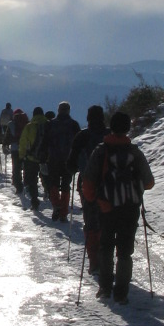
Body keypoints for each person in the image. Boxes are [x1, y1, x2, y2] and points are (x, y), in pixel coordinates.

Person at [80, 110, 154, 305]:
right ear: (128, 128)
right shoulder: (135, 152)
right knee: (125, 251)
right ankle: (121, 292)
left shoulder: (101, 151)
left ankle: (105, 287)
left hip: (106, 207)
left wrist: (94, 199)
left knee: (105, 247)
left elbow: (88, 183)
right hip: (130, 208)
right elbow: (149, 183)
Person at [69, 104, 108, 273]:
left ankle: (94, 260)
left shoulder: (82, 136)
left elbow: (71, 163)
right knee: (107, 223)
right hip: (110, 186)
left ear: (88, 118)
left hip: (88, 184)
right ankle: (107, 259)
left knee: (91, 222)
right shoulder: (110, 135)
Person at [45, 101, 81, 221]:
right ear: (69, 110)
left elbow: (45, 142)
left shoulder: (50, 124)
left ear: (58, 110)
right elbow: (78, 144)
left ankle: (56, 205)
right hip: (68, 159)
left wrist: (42, 157)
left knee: (53, 183)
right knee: (66, 185)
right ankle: (64, 212)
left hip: (53, 159)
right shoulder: (74, 125)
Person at [17, 105, 47, 210]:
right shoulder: (49, 125)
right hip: (47, 158)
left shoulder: (29, 126)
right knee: (48, 177)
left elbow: (23, 142)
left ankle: (34, 200)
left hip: (31, 158)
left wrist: (21, 156)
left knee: (33, 180)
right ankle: (50, 195)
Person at [9, 105, 28, 193]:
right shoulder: (28, 123)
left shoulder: (11, 124)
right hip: (26, 148)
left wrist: (5, 144)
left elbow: (8, 136)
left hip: (15, 148)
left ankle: (18, 185)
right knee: (26, 166)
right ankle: (27, 183)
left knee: (16, 167)